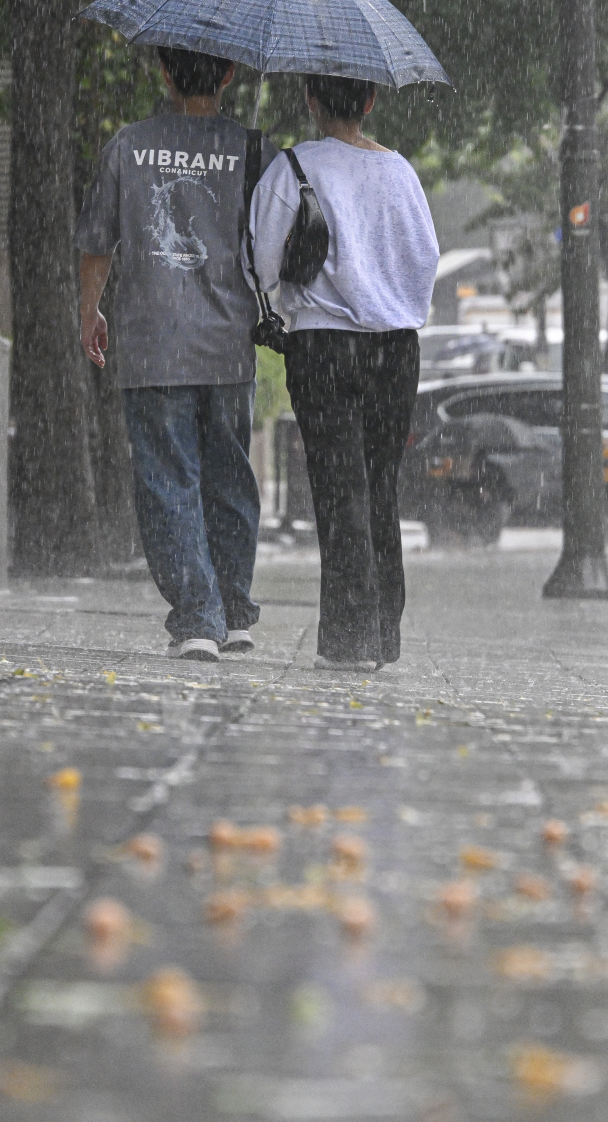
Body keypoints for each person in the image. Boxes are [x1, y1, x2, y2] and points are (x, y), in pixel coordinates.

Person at [74, 46, 277, 663]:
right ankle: (235, 611)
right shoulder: (254, 150)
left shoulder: (128, 146)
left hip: (153, 338)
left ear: (163, 73)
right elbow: (270, 247)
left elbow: (96, 241)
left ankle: (196, 618)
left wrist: (90, 310)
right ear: (230, 74)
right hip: (227, 342)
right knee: (229, 476)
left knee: (168, 480)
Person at [247, 73, 439, 670]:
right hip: (396, 348)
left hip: (324, 346)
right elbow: (424, 258)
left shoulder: (293, 168)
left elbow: (260, 261)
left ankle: (349, 639)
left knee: (339, 489)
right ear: (372, 101)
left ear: (310, 100)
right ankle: (383, 634)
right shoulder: (401, 172)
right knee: (381, 485)